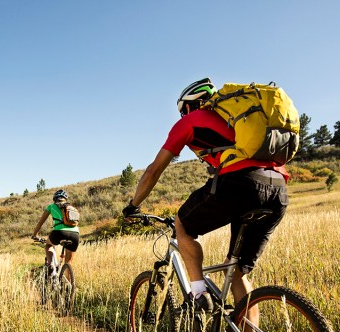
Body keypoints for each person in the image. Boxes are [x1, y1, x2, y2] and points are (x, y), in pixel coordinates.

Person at [122, 78, 289, 315]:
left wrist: (133, 205)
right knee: (237, 272)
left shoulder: (191, 120)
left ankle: (199, 294)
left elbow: (153, 170)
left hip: (241, 183)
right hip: (278, 188)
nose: (183, 116)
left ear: (189, 106)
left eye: (182, 111)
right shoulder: (240, 120)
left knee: (182, 223)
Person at [31, 189, 79, 272]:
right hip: (75, 234)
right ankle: (69, 284)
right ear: (65, 199)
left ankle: (51, 265)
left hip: (58, 232)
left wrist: (35, 235)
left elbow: (40, 223)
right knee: (68, 263)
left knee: (48, 246)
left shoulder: (51, 206)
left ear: (55, 199)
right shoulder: (71, 208)